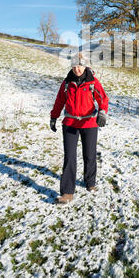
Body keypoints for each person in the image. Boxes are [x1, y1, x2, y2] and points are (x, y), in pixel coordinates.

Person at [50, 53, 109, 204]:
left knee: (89, 155)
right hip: (70, 123)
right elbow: (59, 101)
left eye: (80, 66)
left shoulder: (93, 82)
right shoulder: (67, 83)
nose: (77, 69)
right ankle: (67, 192)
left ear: (86, 66)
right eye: (74, 66)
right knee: (69, 157)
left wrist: (102, 112)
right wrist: (54, 117)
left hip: (89, 123)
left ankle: (90, 182)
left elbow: (102, 98)